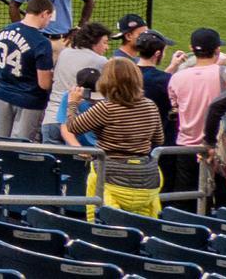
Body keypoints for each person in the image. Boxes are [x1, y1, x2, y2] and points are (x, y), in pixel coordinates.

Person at [64, 58, 166, 216]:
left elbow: (73, 126)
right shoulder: (150, 105)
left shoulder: (105, 107)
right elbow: (159, 140)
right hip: (146, 181)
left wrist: (72, 104)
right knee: (144, 230)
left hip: (110, 179)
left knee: (101, 226)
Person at [164, 28, 226, 200]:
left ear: (191, 49)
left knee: (185, 202)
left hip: (185, 148)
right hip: (219, 151)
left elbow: (175, 106)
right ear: (217, 50)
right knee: (223, 202)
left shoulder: (177, 78)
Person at [0, 0, 59, 141]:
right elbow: (44, 83)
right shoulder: (42, 43)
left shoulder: (5, 31)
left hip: (2, 94)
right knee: (20, 147)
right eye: (49, 17)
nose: (49, 21)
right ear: (44, 13)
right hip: (29, 101)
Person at [47, 23, 113, 142]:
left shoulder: (64, 53)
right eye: (104, 42)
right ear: (93, 42)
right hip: (76, 126)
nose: (107, 47)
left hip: (50, 120)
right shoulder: (100, 61)